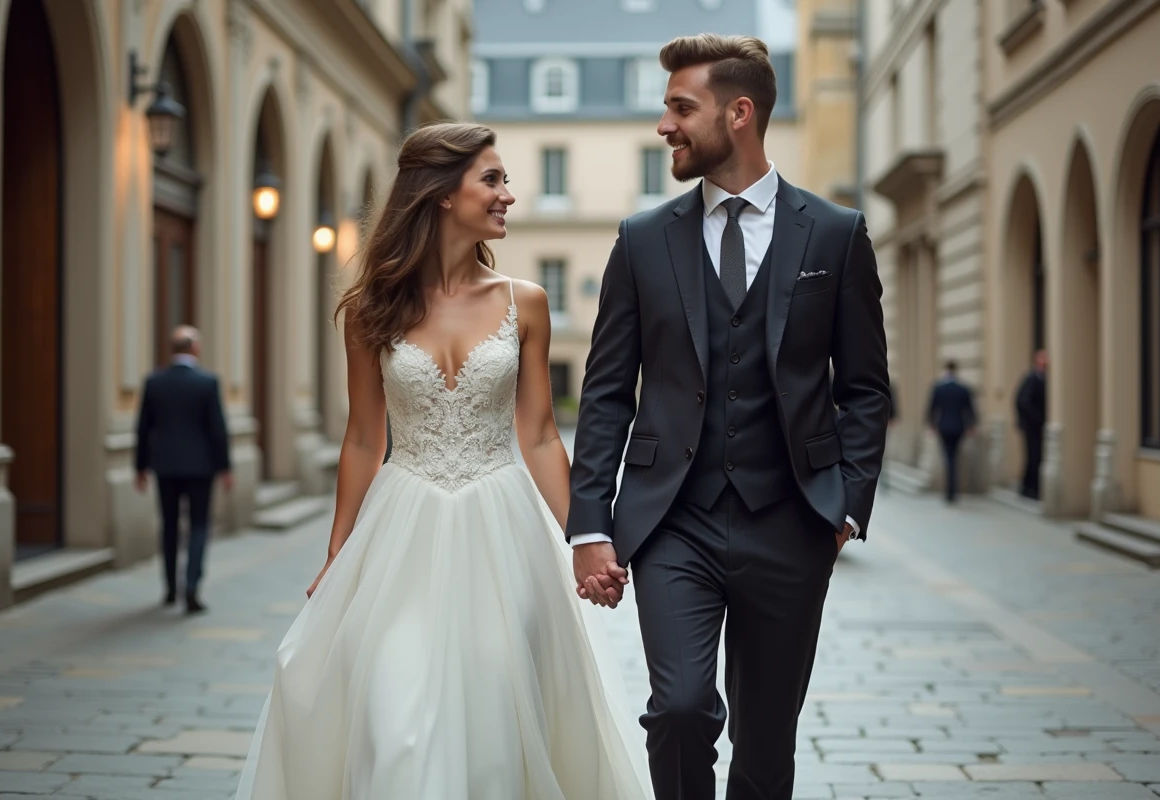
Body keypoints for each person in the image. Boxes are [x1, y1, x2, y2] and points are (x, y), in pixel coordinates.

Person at [235, 123, 650, 799]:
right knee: (393, 714)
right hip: (402, 531)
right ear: (439, 194)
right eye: (492, 179)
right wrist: (339, 555)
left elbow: (541, 434)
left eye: (506, 180)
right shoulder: (371, 309)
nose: (509, 195)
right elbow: (364, 438)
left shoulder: (527, 304)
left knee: (497, 706)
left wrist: (587, 540)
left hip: (503, 531)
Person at [568, 34, 891, 800]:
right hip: (673, 519)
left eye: (682, 107)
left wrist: (847, 503)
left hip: (793, 519)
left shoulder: (837, 235)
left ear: (739, 113)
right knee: (679, 709)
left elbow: (867, 388)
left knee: (766, 737)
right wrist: (591, 525)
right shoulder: (642, 241)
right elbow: (607, 391)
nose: (664, 125)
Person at [134, 325, 233, 614]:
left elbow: (143, 429)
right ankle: (191, 586)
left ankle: (169, 588)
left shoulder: (155, 382)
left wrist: (140, 467)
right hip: (201, 468)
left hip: (165, 467)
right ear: (195, 348)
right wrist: (224, 467)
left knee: (169, 526)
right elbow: (218, 428)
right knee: (199, 526)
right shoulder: (207, 382)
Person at [925, 360, 976, 504]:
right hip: (959, 427)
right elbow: (970, 409)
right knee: (954, 457)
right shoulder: (963, 388)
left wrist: (931, 425)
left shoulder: (939, 388)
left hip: (944, 427)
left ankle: (949, 492)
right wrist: (971, 426)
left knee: (948, 458)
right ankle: (953, 491)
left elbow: (932, 408)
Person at [1015, 349, 1047, 499]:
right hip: (1032, 426)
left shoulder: (1044, 377)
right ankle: (1029, 487)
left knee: (1036, 456)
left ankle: (1031, 486)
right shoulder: (1032, 378)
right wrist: (1036, 417)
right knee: (1033, 456)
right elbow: (1022, 401)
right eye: (1043, 357)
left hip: (1038, 426)